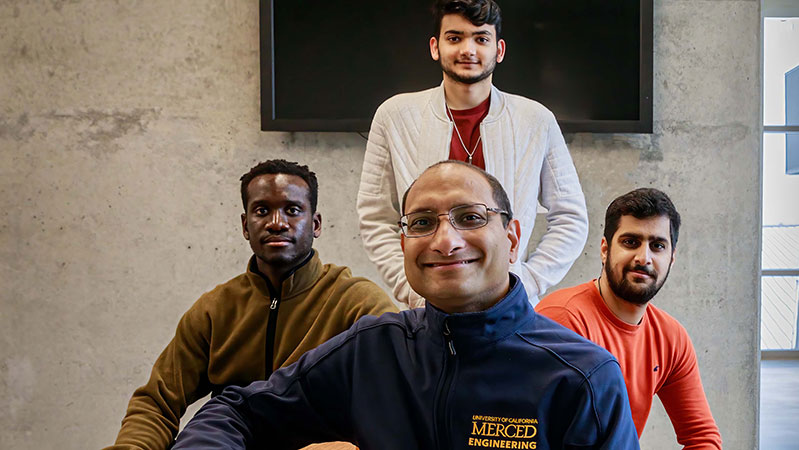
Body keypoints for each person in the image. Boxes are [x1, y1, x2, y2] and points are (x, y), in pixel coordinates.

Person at [172, 161, 639, 450]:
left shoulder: (582, 378)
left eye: (470, 218)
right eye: (421, 222)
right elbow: (237, 411)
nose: (445, 240)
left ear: (512, 237)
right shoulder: (371, 350)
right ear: (404, 244)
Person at [107, 160, 397, 449]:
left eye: (292, 210)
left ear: (316, 224)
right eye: (262, 211)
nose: (276, 222)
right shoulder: (214, 310)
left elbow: (398, 397)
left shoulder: (358, 303)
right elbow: (157, 403)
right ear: (246, 226)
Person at [357, 0, 587, 308]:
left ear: (499, 50)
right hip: (427, 305)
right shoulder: (395, 116)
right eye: (455, 38)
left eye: (481, 39)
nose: (468, 50)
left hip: (508, 307)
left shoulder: (535, 120)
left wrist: (528, 281)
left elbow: (571, 216)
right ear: (435, 47)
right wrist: (410, 285)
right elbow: (375, 215)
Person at [536, 188, 722, 449]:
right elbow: (535, 435)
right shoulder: (562, 319)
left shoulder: (670, 337)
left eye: (657, 246)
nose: (643, 258)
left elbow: (702, 436)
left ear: (672, 259)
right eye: (630, 242)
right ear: (604, 249)